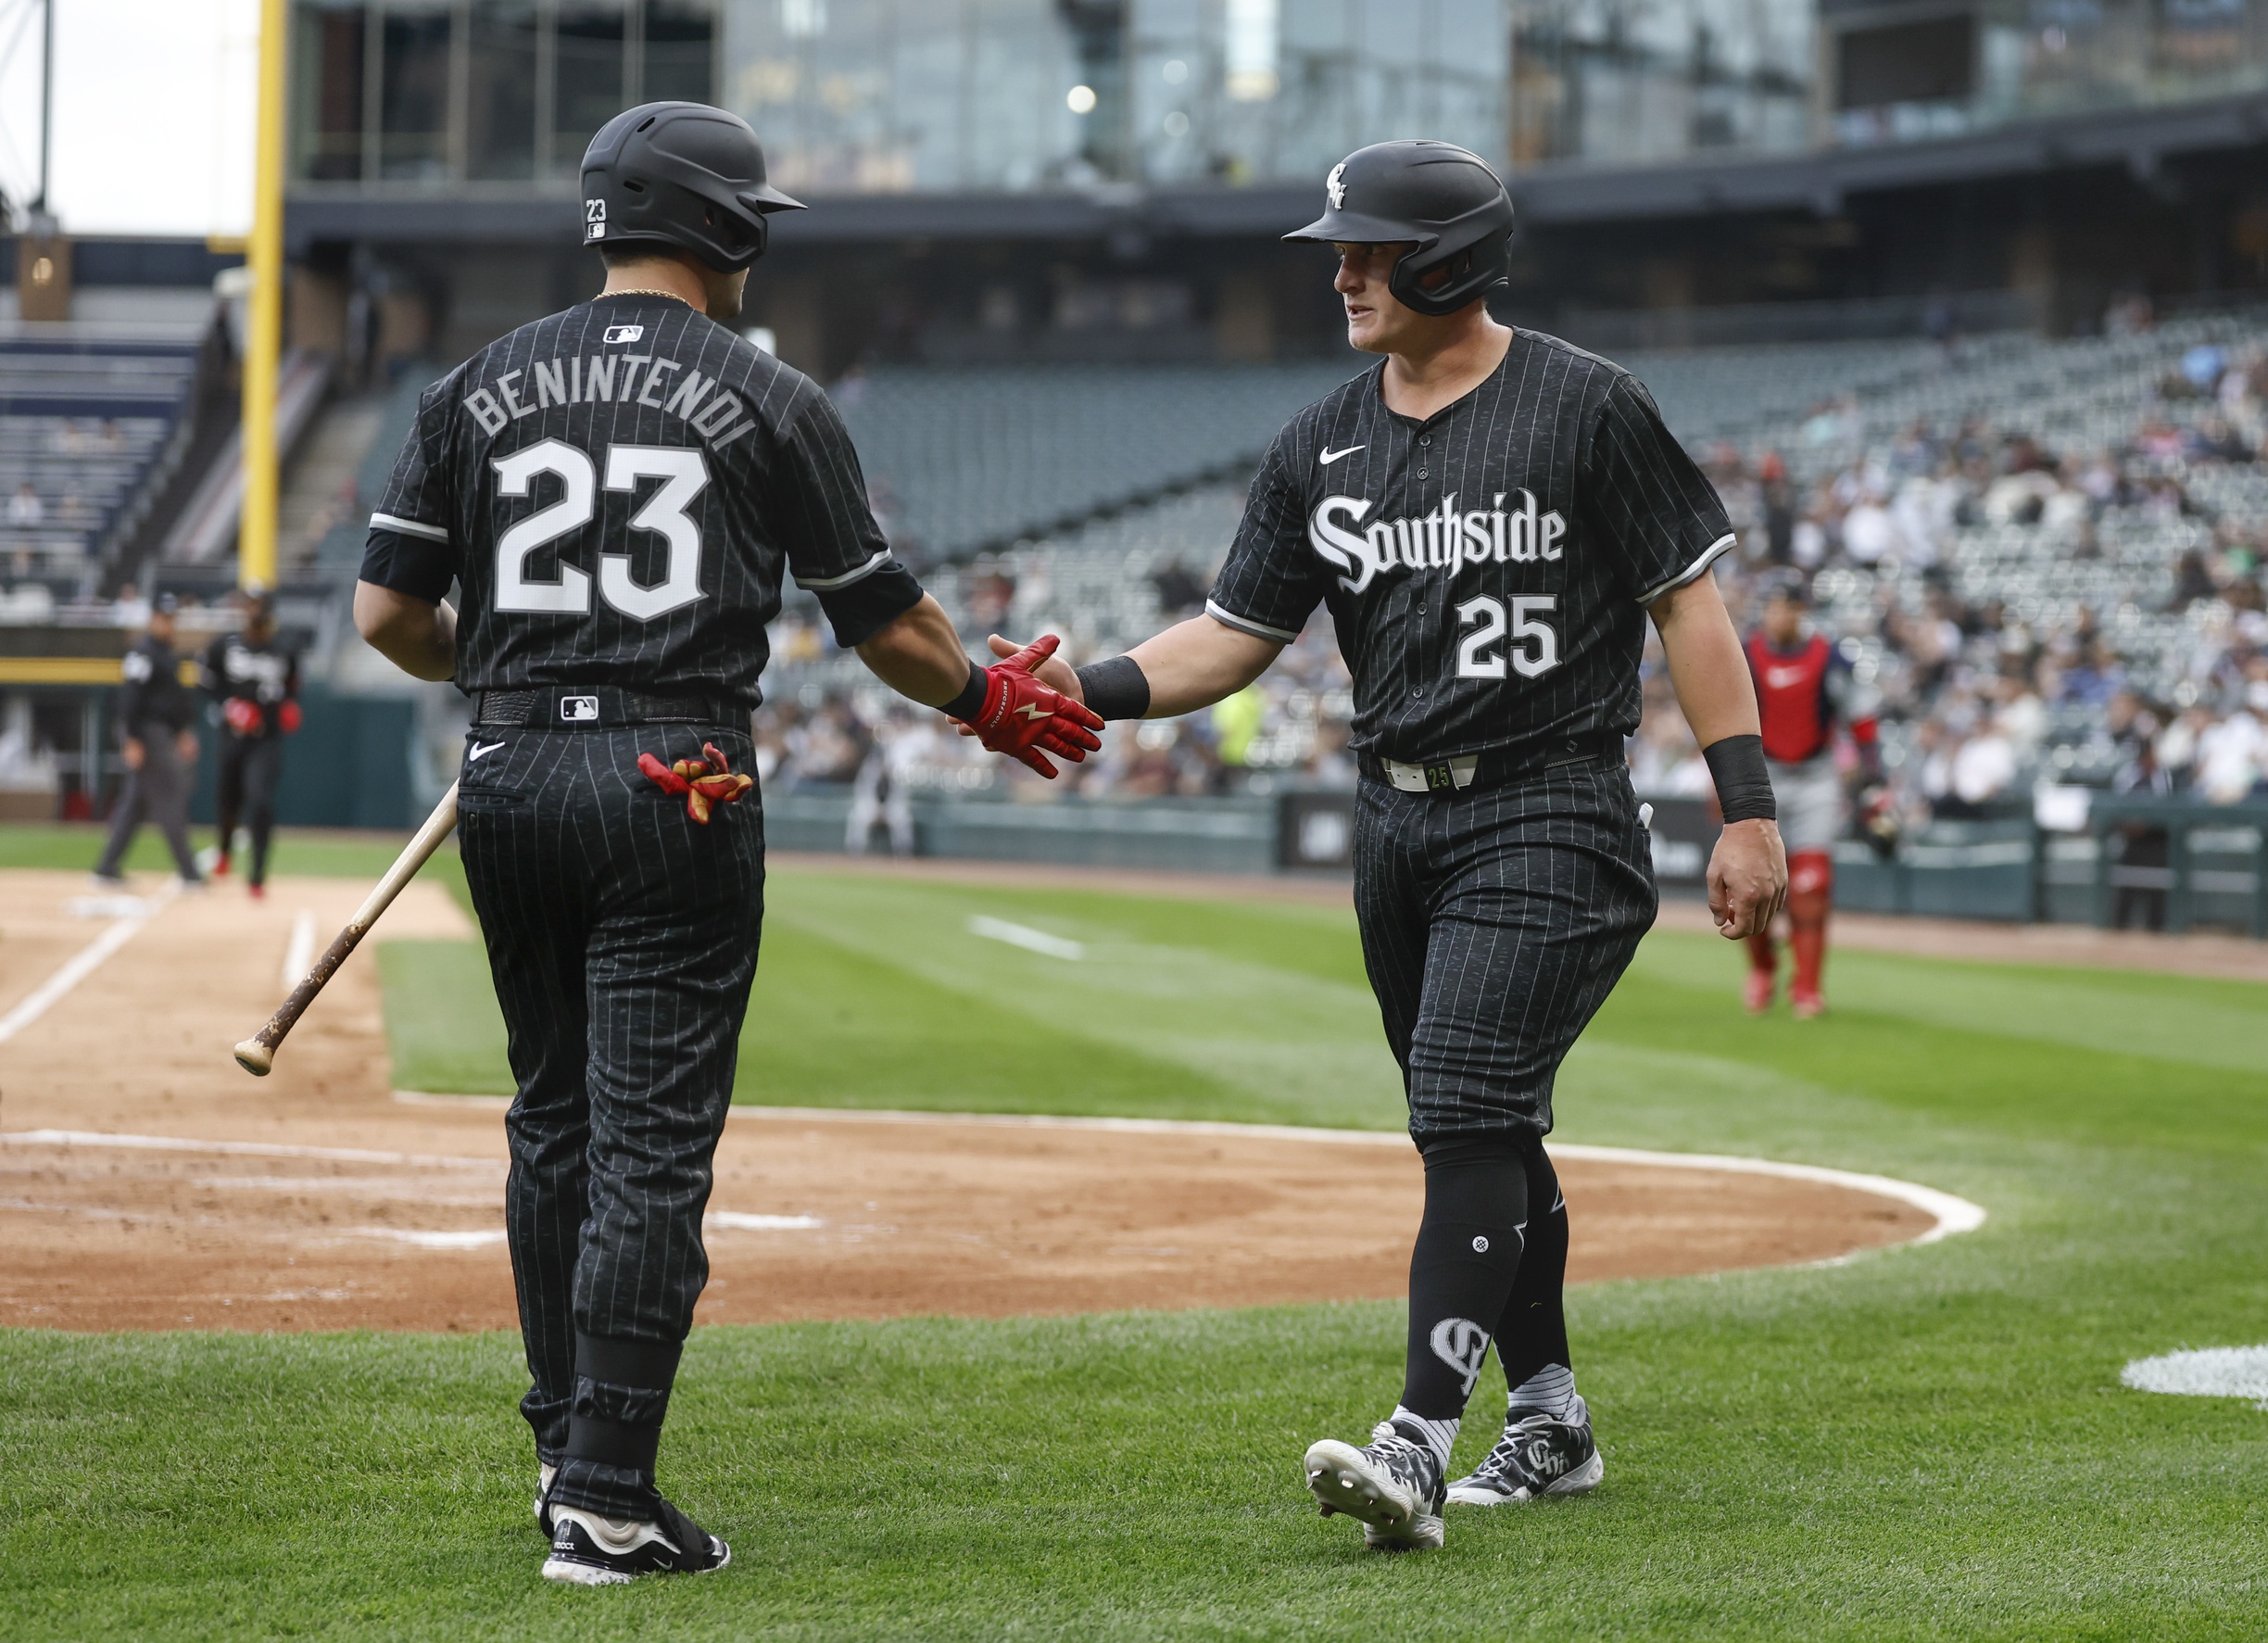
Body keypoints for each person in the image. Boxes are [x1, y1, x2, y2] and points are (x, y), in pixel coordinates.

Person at [979, 140, 1784, 1551]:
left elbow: (1688, 610)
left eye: (1369, 247)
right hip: (1397, 818)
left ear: (1452, 260)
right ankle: (1552, 1420)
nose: (1342, 270)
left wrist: (1748, 806)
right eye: (1340, 247)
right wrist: (1083, 687)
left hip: (1551, 803)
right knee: (1487, 1124)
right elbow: (1234, 634)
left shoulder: (1588, 405)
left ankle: (1417, 1444)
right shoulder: (1320, 438)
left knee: (1466, 1105)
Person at [350, 100, 1098, 1588]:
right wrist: (992, 702)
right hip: (674, 773)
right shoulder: (770, 396)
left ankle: (566, 1448)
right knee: (648, 1149)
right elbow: (887, 626)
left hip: (505, 769)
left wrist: (501, 679)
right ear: (726, 224)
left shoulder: (470, 386)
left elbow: (388, 618)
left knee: (549, 1120)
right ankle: (610, 1498)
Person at [1739, 575, 1871, 1018]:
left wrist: (1873, 776)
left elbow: (1861, 717)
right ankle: (1763, 968)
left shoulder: (1829, 657)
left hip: (1817, 775)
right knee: (1753, 884)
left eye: (1789, 607)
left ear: (1802, 611)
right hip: (1763, 774)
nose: (1781, 615)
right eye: (1774, 606)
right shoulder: (1745, 654)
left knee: (1811, 884)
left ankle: (1808, 988)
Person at [93, 593, 205, 890]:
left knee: (135, 804)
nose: (168, 624)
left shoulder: (165, 653)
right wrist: (131, 738)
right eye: (163, 618)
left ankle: (106, 866)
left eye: (171, 618)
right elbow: (130, 696)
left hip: (161, 732)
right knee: (171, 798)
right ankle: (189, 872)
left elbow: (172, 701)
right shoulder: (143, 653)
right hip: (147, 734)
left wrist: (181, 732)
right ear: (153, 619)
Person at [199, 591, 302, 897]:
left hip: (265, 740)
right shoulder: (225, 645)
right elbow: (206, 683)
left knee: (260, 801)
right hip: (233, 738)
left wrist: (287, 706)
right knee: (229, 799)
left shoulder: (283, 649)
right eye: (250, 606)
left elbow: (293, 687)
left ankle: (257, 875)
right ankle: (225, 850)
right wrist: (229, 707)